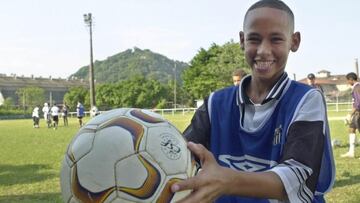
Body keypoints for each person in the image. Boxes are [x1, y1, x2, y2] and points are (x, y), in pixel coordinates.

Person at [171, 1, 335, 202]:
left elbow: (296, 177)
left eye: (276, 39)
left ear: (294, 41)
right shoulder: (216, 104)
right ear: (242, 40)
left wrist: (228, 181)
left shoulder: (306, 100)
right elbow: (177, 157)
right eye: (254, 39)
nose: (263, 50)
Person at [341, 72, 360, 158]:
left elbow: (358, 103)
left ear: (351, 80)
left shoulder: (357, 88)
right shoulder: (356, 87)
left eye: (348, 80)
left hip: (358, 113)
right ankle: (351, 152)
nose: (348, 82)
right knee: (351, 129)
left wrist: (349, 114)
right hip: (356, 114)